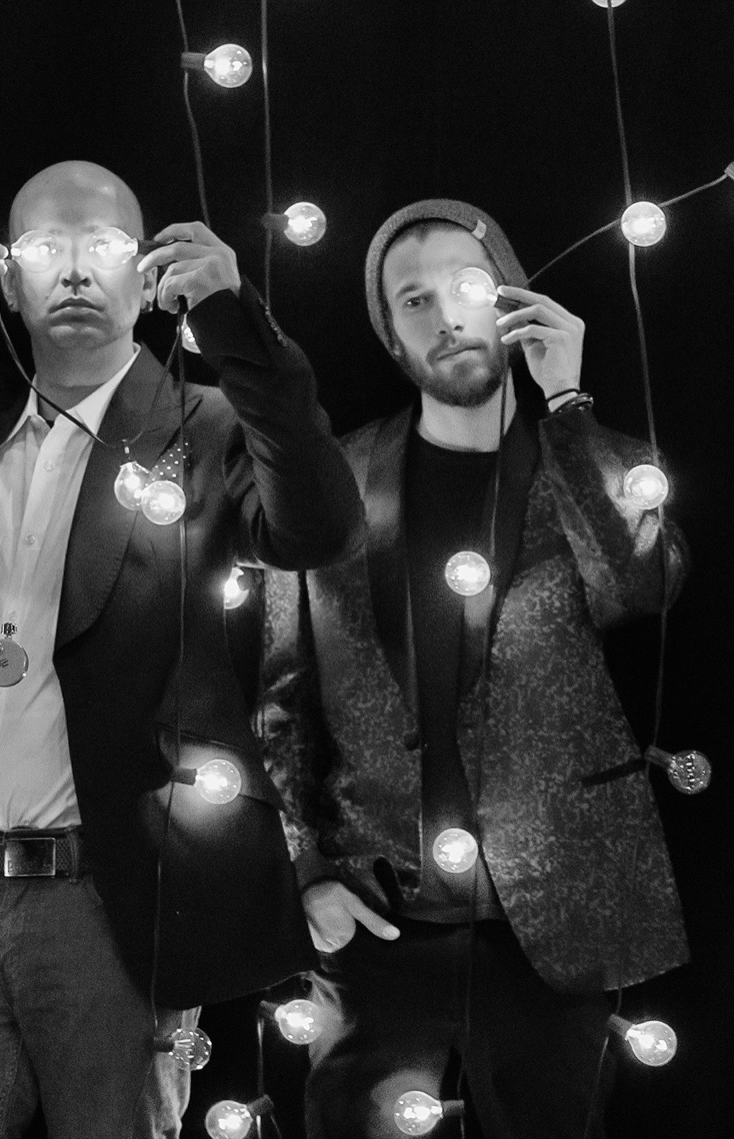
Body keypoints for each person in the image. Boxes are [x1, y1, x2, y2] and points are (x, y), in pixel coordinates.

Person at [0, 160, 363, 1138]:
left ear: (146, 275)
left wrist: (231, 315)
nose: (76, 274)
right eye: (45, 250)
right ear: (3, 280)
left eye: (103, 249)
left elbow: (319, 524)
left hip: (112, 896)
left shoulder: (205, 425)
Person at [257, 199, 689, 1138]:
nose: (446, 314)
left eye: (466, 283)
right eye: (413, 300)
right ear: (391, 334)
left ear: (513, 295)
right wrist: (306, 871)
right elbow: (281, 697)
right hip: (376, 922)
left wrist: (568, 406)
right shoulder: (336, 479)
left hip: (554, 925)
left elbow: (643, 583)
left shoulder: (597, 465)